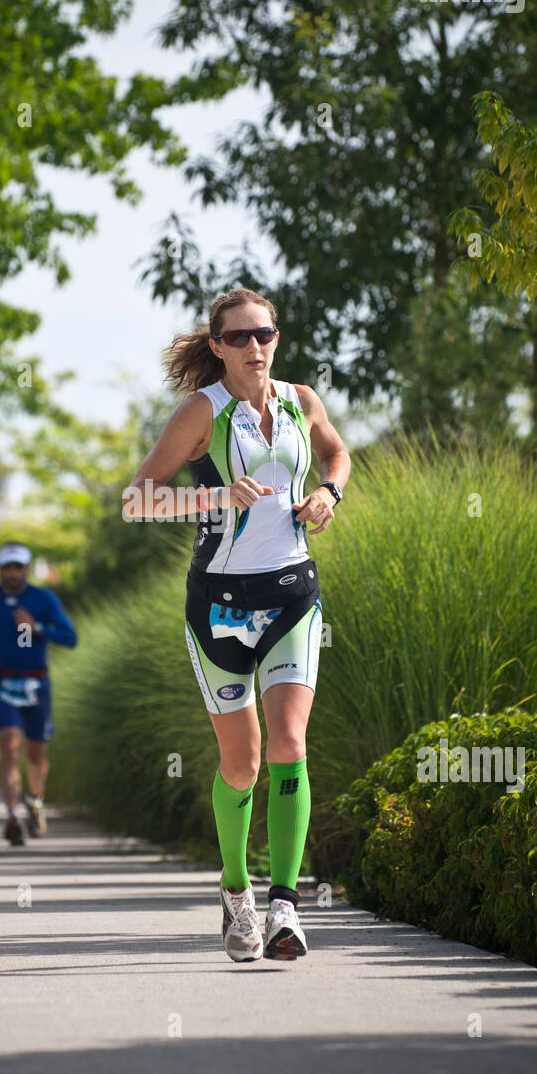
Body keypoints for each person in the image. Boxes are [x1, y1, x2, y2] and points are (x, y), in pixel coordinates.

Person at [123, 287, 350, 961]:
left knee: (288, 740)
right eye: (242, 337)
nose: (257, 347)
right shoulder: (203, 412)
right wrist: (214, 496)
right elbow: (136, 500)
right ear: (217, 345)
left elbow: (338, 453)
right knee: (242, 761)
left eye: (266, 334)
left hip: (291, 595)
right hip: (218, 606)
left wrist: (329, 493)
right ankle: (235, 893)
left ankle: (286, 908)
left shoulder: (301, 400)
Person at [0, 544, 78, 845]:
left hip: (37, 685)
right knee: (9, 749)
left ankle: (35, 800)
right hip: (5, 684)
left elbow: (70, 637)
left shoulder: (42, 599)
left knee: (36, 753)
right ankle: (13, 815)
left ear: (26, 568)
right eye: (7, 567)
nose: (12, 573)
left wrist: (37, 627)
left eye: (18, 567)